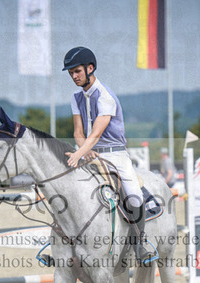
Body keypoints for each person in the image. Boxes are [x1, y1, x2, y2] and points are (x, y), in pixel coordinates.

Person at [62, 46, 156, 264]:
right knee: (69, 190)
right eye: (71, 73)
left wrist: (78, 154)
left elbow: (96, 134)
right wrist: (84, 151)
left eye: (77, 71)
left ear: (90, 68)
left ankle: (139, 243)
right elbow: (78, 133)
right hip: (90, 154)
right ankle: (63, 242)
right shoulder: (75, 97)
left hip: (115, 155)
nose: (74, 76)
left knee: (134, 195)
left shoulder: (105, 96)